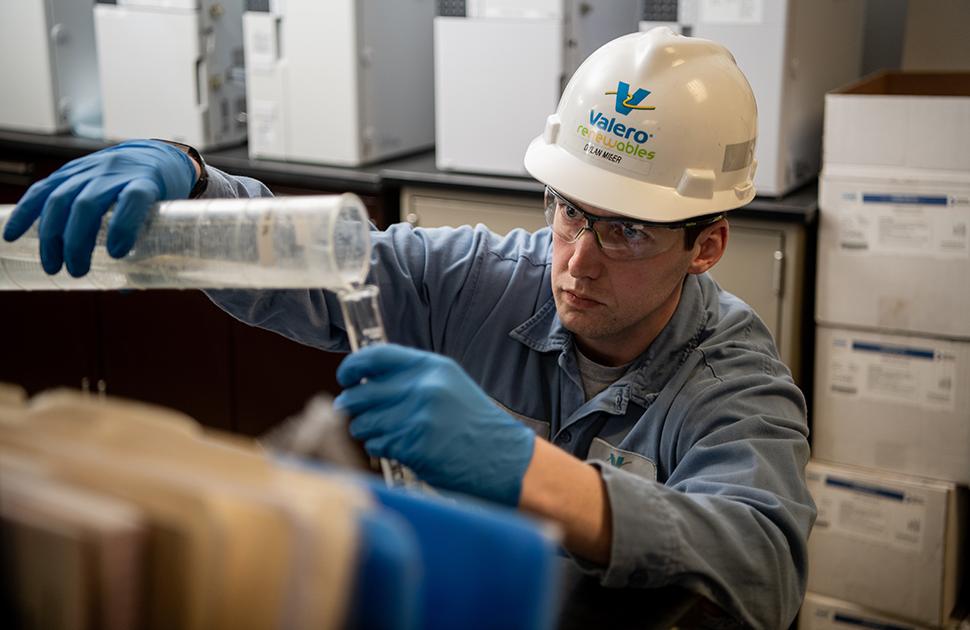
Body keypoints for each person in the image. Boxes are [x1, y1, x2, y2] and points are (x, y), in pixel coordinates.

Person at [3, 28, 814, 629]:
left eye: (628, 231)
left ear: (705, 245)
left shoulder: (734, 381)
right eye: (570, 212)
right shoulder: (477, 281)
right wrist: (189, 175)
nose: (576, 262)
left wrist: (534, 475)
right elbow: (314, 266)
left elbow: (765, 565)